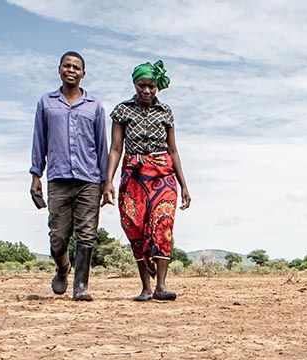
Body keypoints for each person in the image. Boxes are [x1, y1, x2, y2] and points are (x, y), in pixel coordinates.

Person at [103, 60, 191, 301]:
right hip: (134, 175)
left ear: (157, 87)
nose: (147, 90)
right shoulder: (122, 110)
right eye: (142, 85)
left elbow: (173, 151)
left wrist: (184, 184)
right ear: (135, 84)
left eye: (151, 86)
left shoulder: (166, 112)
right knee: (135, 227)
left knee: (163, 225)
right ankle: (145, 287)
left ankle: (161, 286)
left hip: (163, 175)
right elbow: (115, 148)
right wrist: (108, 181)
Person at [30, 51, 108, 301]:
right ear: (59, 69)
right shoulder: (46, 103)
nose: (71, 70)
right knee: (58, 237)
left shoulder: (94, 106)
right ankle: (63, 268)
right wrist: (35, 175)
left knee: (87, 234)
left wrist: (106, 182)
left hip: (89, 180)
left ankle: (81, 286)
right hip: (58, 178)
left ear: (83, 74)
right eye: (67, 66)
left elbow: (102, 145)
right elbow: (39, 140)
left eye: (77, 67)